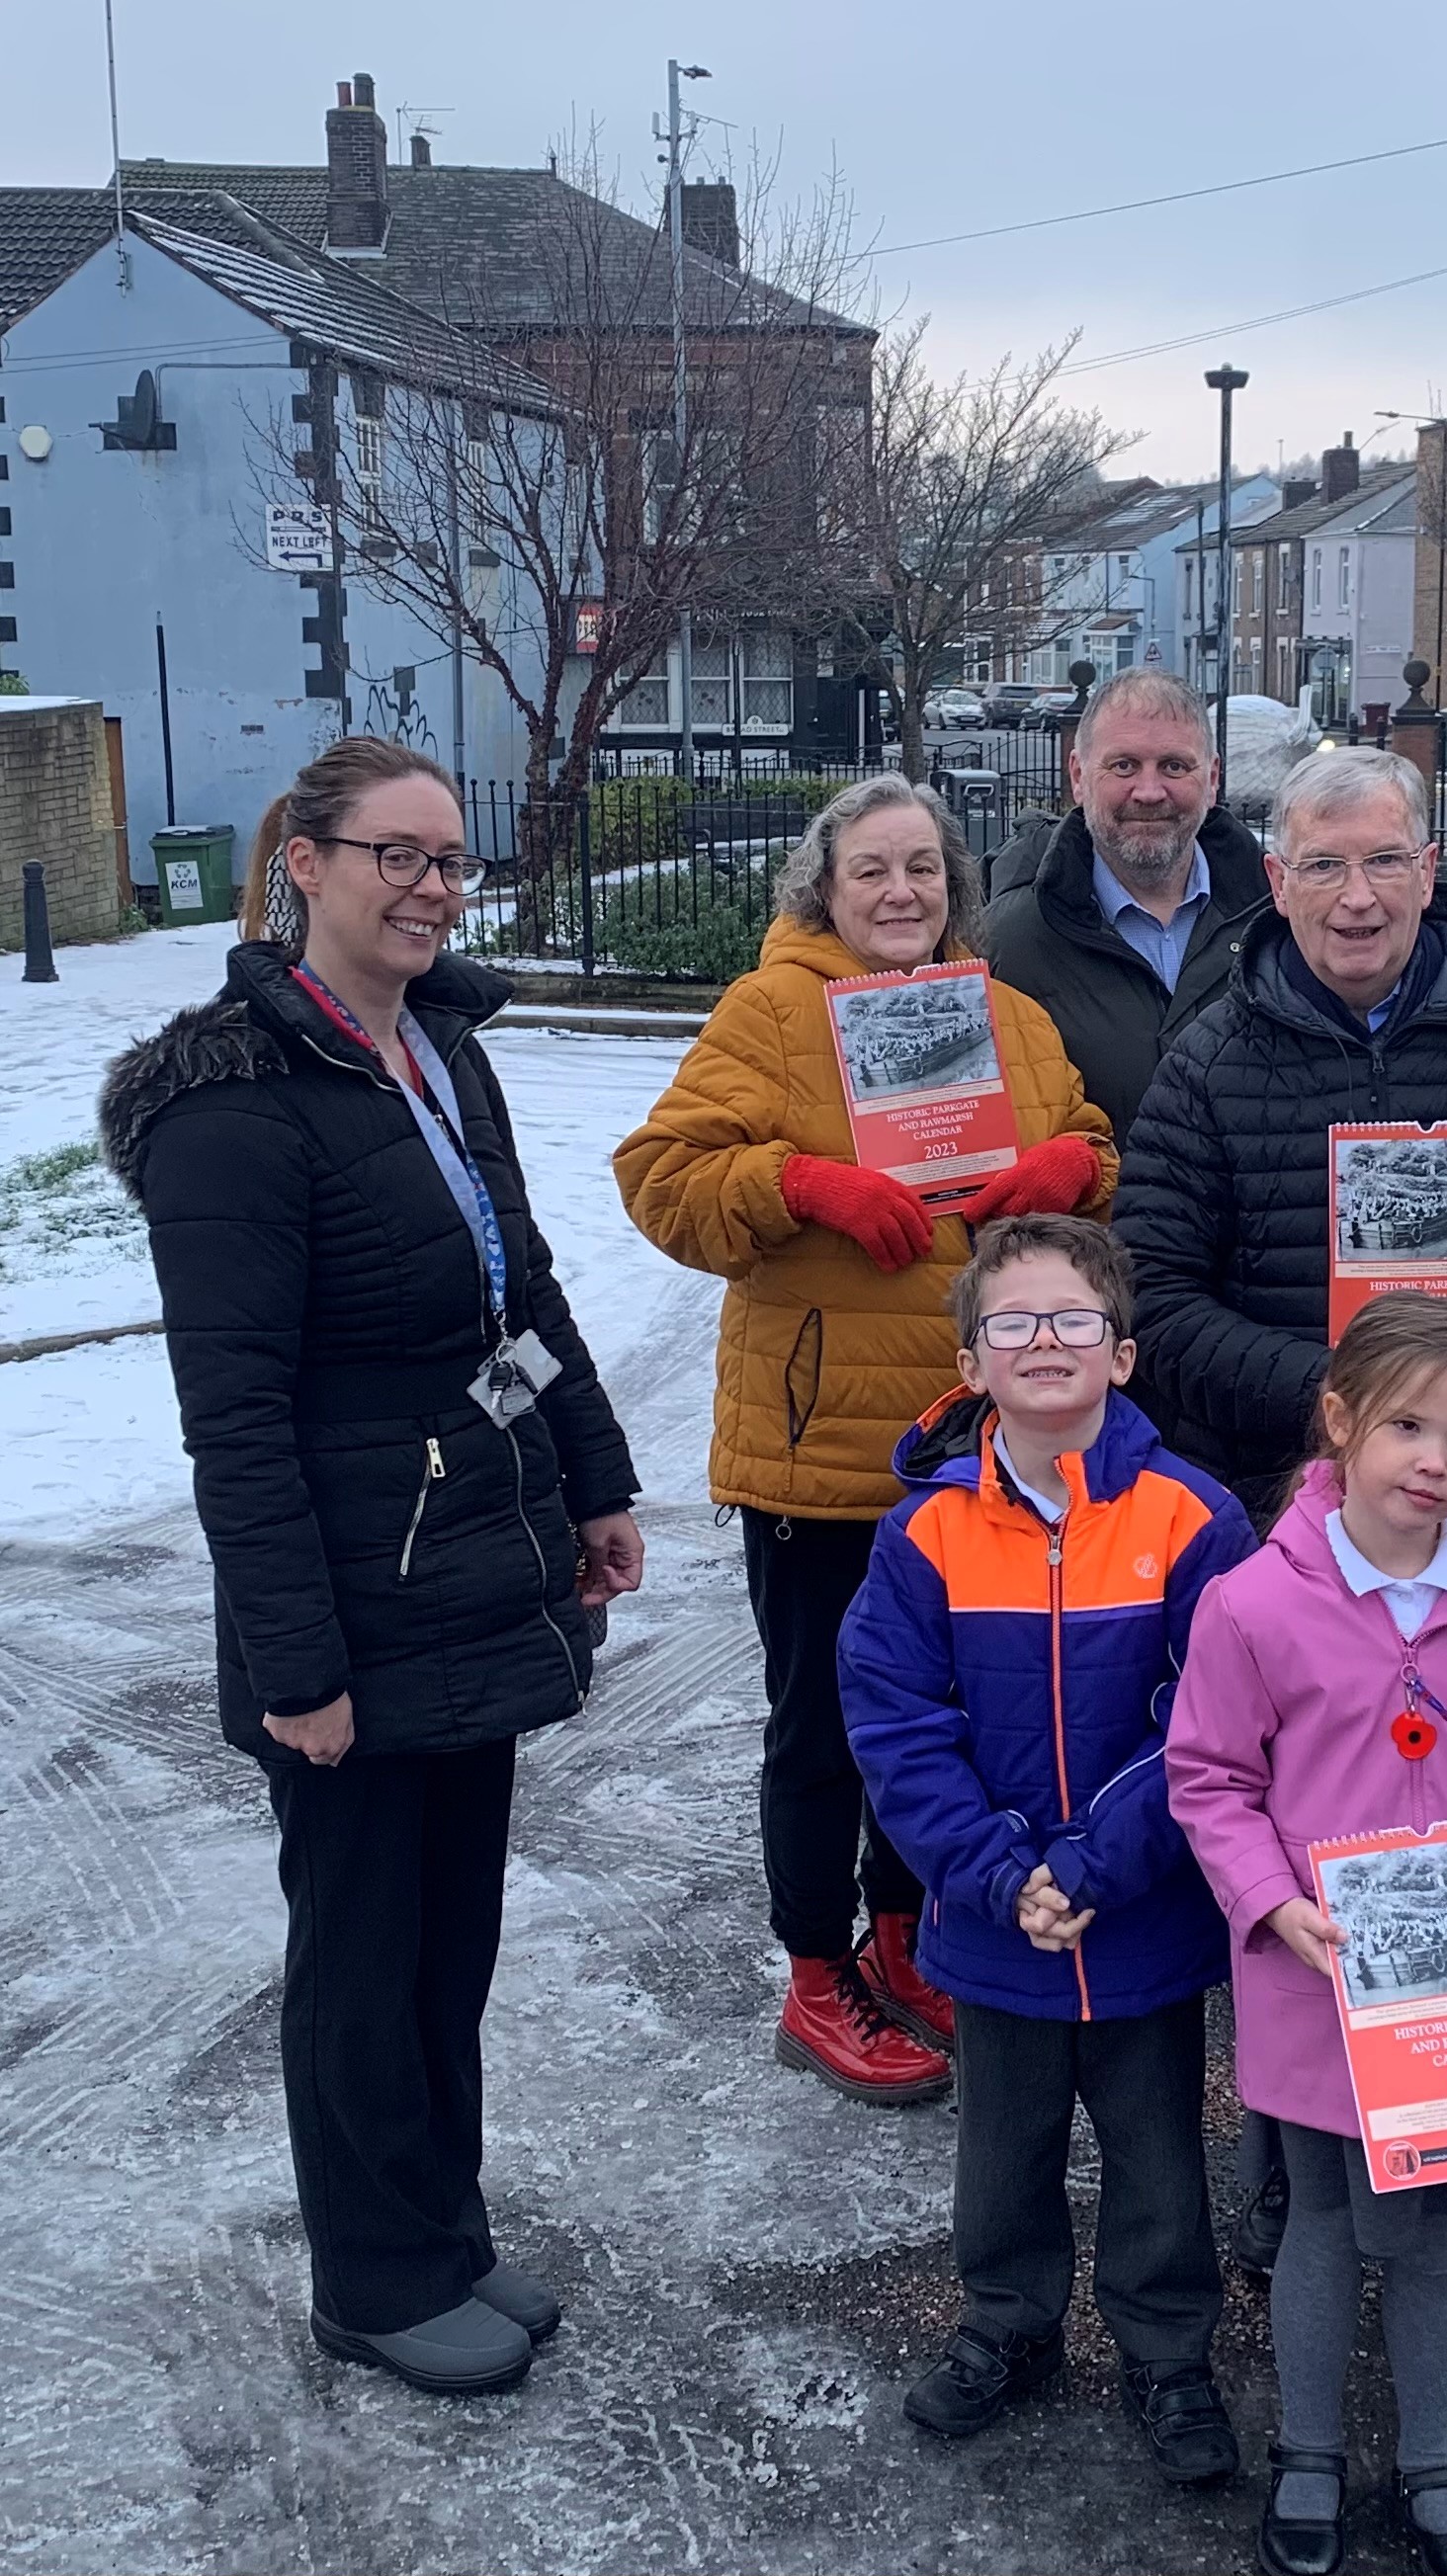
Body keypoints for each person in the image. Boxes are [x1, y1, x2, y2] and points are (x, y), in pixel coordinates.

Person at [99, 737, 644, 2398]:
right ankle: (374, 2277)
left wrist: (598, 1480)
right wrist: (294, 1670)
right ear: (305, 863)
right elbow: (235, 1425)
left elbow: (520, 1291)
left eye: (449, 860)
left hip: (472, 1550)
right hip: (343, 1591)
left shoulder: (434, 1049)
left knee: (446, 1937)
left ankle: (445, 2234)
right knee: (359, 1946)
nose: (427, 886)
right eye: (394, 855)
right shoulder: (230, 1107)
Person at [1116, 741, 1447, 2285]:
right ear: (1271, 884)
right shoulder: (1215, 1056)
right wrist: (1342, 1409)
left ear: (1428, 870)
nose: (1355, 894)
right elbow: (1154, 1288)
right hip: (1293, 1535)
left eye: (1382, 861)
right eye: (1320, 865)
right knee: (1302, 1841)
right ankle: (1295, 2157)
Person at [614, 779, 1114, 2105]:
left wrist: (1070, 1166)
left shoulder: (995, 1013)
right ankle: (814, 1967)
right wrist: (797, 1183)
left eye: (922, 870)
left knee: (939, 1717)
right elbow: (659, 1173)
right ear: (821, 890)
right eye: (869, 872)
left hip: (971, 1435)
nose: (899, 894)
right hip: (822, 1446)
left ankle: (906, 1926)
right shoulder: (773, 1012)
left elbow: (1082, 1131)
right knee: (824, 1725)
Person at [1166, 1296, 1447, 2576]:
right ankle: (1308, 2450)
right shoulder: (1254, 1604)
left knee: (1425, 2229)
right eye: (1407, 1424)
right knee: (1315, 2212)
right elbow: (1206, 1776)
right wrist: (1269, 1898)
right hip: (1317, 1966)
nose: (1434, 1458)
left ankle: (1430, 2459)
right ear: (1340, 1418)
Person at [837, 1215, 1256, 2483]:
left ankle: (1168, 2348)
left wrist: (1091, 1865)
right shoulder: (924, 1534)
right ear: (970, 1362)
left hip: (1138, 1913)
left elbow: (1212, 1719)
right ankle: (1007, 2323)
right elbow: (896, 1719)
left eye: (1072, 1318)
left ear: (1122, 1354)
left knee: (1157, 2149)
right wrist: (996, 1865)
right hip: (994, 1913)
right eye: (1011, 1322)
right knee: (1002, 2146)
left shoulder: (1197, 1519)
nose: (1043, 1340)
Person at [985, 668, 1271, 1147]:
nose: (1149, 791)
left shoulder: (1280, 924)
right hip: (1087, 1221)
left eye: (1175, 767)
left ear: (1213, 778)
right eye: (1123, 766)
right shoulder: (1008, 942)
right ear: (1078, 776)